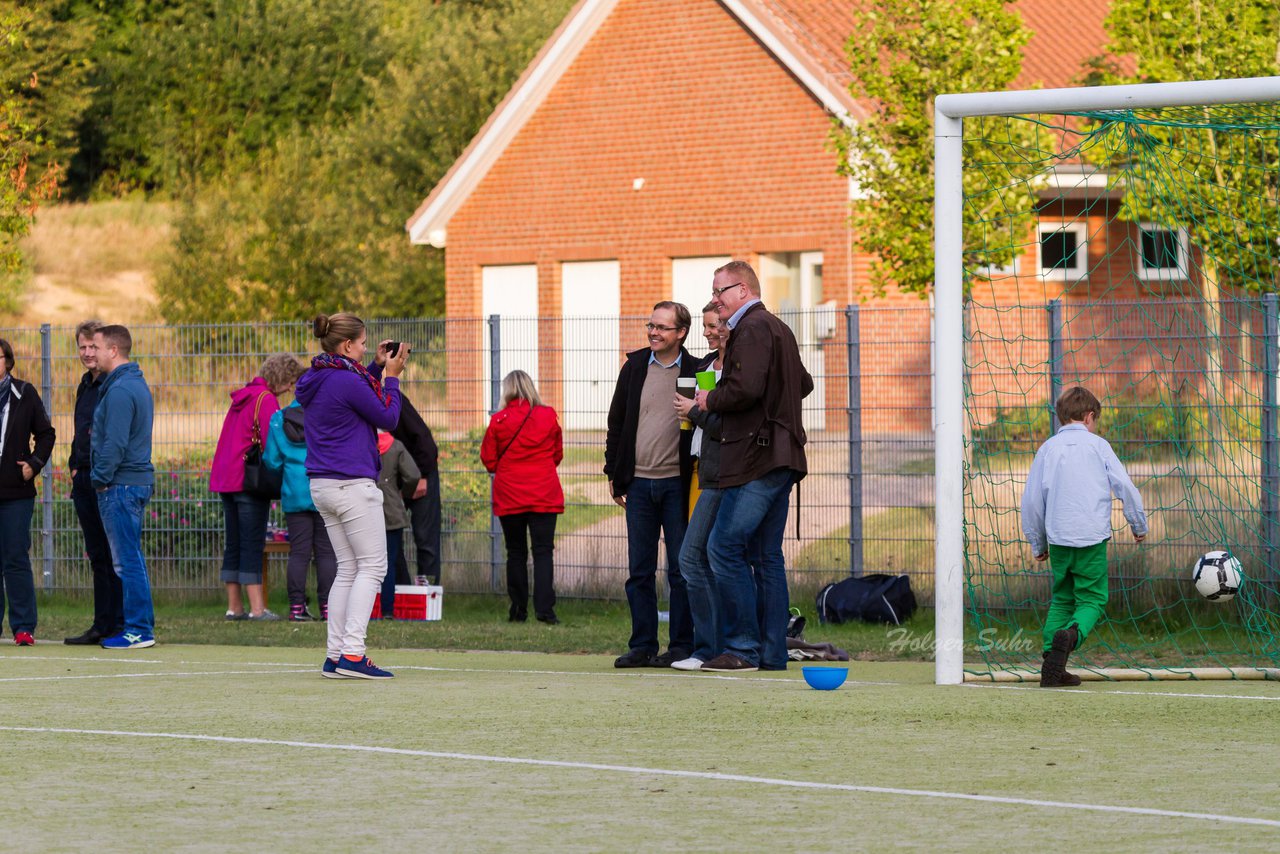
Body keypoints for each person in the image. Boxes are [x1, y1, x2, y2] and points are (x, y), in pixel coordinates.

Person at [696, 261, 813, 673]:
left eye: (719, 291)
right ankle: (771, 653)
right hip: (780, 457)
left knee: (722, 548)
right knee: (766, 556)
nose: (714, 300)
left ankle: (742, 648)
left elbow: (745, 389)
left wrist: (707, 400)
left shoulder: (753, 327)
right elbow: (804, 383)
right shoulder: (777, 327)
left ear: (743, 290)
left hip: (757, 459)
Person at [295, 313, 405, 679]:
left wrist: (374, 366)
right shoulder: (346, 379)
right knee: (372, 567)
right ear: (346, 346)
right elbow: (387, 418)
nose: (364, 348)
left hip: (323, 484)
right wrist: (393, 379)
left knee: (348, 568)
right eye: (361, 343)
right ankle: (353, 654)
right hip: (352, 485)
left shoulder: (317, 377)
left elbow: (354, 399)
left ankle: (336, 655)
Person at [1021, 386, 1147, 688]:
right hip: (1091, 537)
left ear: (1062, 417)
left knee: (1062, 599)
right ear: (1090, 416)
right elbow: (1125, 487)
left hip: (1059, 539)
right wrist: (1137, 524)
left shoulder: (1047, 449)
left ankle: (1052, 667)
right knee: (1092, 598)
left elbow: (1032, 501)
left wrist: (1037, 541)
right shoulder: (1098, 446)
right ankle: (1073, 635)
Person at [605, 300, 697, 668]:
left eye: (662, 327)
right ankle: (642, 645)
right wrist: (615, 474)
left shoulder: (696, 368)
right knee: (639, 570)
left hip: (677, 484)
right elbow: (616, 422)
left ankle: (680, 646)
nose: (653, 332)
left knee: (681, 570)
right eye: (651, 325)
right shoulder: (634, 367)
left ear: (681, 333)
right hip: (639, 485)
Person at [209, 354, 304, 621]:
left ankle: (234, 606)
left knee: (234, 543)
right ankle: (257, 609)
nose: (289, 389)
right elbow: (271, 438)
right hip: (249, 480)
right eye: (290, 383)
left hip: (226, 478)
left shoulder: (244, 396)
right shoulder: (266, 399)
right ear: (282, 378)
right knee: (252, 542)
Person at [91, 324, 157, 650]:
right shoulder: (133, 384)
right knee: (130, 559)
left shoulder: (119, 390)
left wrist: (99, 479)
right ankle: (140, 626)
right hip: (131, 482)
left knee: (127, 560)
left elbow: (114, 444)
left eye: (98, 347)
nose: (93, 353)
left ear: (113, 350)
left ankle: (139, 629)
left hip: (122, 485)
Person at [480, 370, 564, 624]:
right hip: (544, 493)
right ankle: (545, 611)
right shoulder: (548, 415)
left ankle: (518, 610)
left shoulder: (499, 420)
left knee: (515, 552)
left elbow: (489, 459)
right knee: (543, 552)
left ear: (507, 390)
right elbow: (557, 454)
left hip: (510, 494)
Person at [671, 306, 729, 670]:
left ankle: (711, 648)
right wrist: (690, 414)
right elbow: (700, 423)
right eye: (705, 326)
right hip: (699, 470)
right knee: (702, 558)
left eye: (714, 326)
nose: (708, 332)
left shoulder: (738, 370)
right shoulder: (706, 367)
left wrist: (693, 412)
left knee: (699, 557)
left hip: (724, 474)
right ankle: (715, 646)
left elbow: (722, 423)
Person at [63, 320, 124, 645]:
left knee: (116, 554)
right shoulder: (85, 385)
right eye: (82, 347)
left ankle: (121, 622)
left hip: (108, 479)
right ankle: (101, 624)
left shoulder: (114, 384)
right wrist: (74, 467)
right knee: (97, 554)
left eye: (92, 347)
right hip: (83, 477)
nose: (87, 353)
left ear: (104, 348)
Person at [263, 377, 337, 622]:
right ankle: (328, 608)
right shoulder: (329, 417)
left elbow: (271, 461)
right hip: (323, 487)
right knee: (326, 553)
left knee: (299, 553)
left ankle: (296, 607)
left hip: (294, 491)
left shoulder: (279, 419)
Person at [0, 338, 56, 646]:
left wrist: (34, 464)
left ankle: (23, 626)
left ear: (7, 360)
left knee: (15, 558)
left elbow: (47, 434)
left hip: (16, 493)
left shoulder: (25, 393)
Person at [392, 394, 443, 587]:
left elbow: (424, 439)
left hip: (421, 471)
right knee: (390, 536)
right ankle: (400, 590)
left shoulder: (391, 400)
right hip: (390, 480)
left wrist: (422, 477)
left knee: (425, 538)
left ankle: (428, 594)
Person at [375, 431, 420, 620]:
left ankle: (361, 610)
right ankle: (388, 610)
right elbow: (413, 475)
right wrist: (404, 493)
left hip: (363, 507)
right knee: (390, 562)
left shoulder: (361, 443)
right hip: (391, 508)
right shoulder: (396, 446)